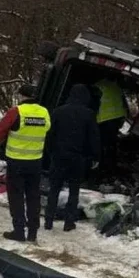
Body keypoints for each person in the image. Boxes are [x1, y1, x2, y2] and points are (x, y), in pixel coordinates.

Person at [0, 85, 51, 242]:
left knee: (16, 197)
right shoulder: (44, 112)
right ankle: (33, 233)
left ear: (21, 95)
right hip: (35, 162)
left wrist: (3, 142)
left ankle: (19, 231)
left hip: (16, 161)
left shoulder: (16, 111)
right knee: (33, 196)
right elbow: (47, 129)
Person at [44, 84, 101, 231]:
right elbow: (93, 138)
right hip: (77, 158)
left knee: (54, 189)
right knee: (74, 190)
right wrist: (94, 157)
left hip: (58, 156)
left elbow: (49, 135)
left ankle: (48, 220)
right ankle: (69, 222)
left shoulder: (58, 112)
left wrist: (50, 152)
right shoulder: (89, 114)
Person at [94, 76, 128, 176]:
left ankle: (99, 167)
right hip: (116, 118)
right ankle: (110, 168)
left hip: (103, 120)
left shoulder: (98, 86)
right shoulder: (116, 87)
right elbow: (124, 104)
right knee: (110, 145)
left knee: (100, 145)